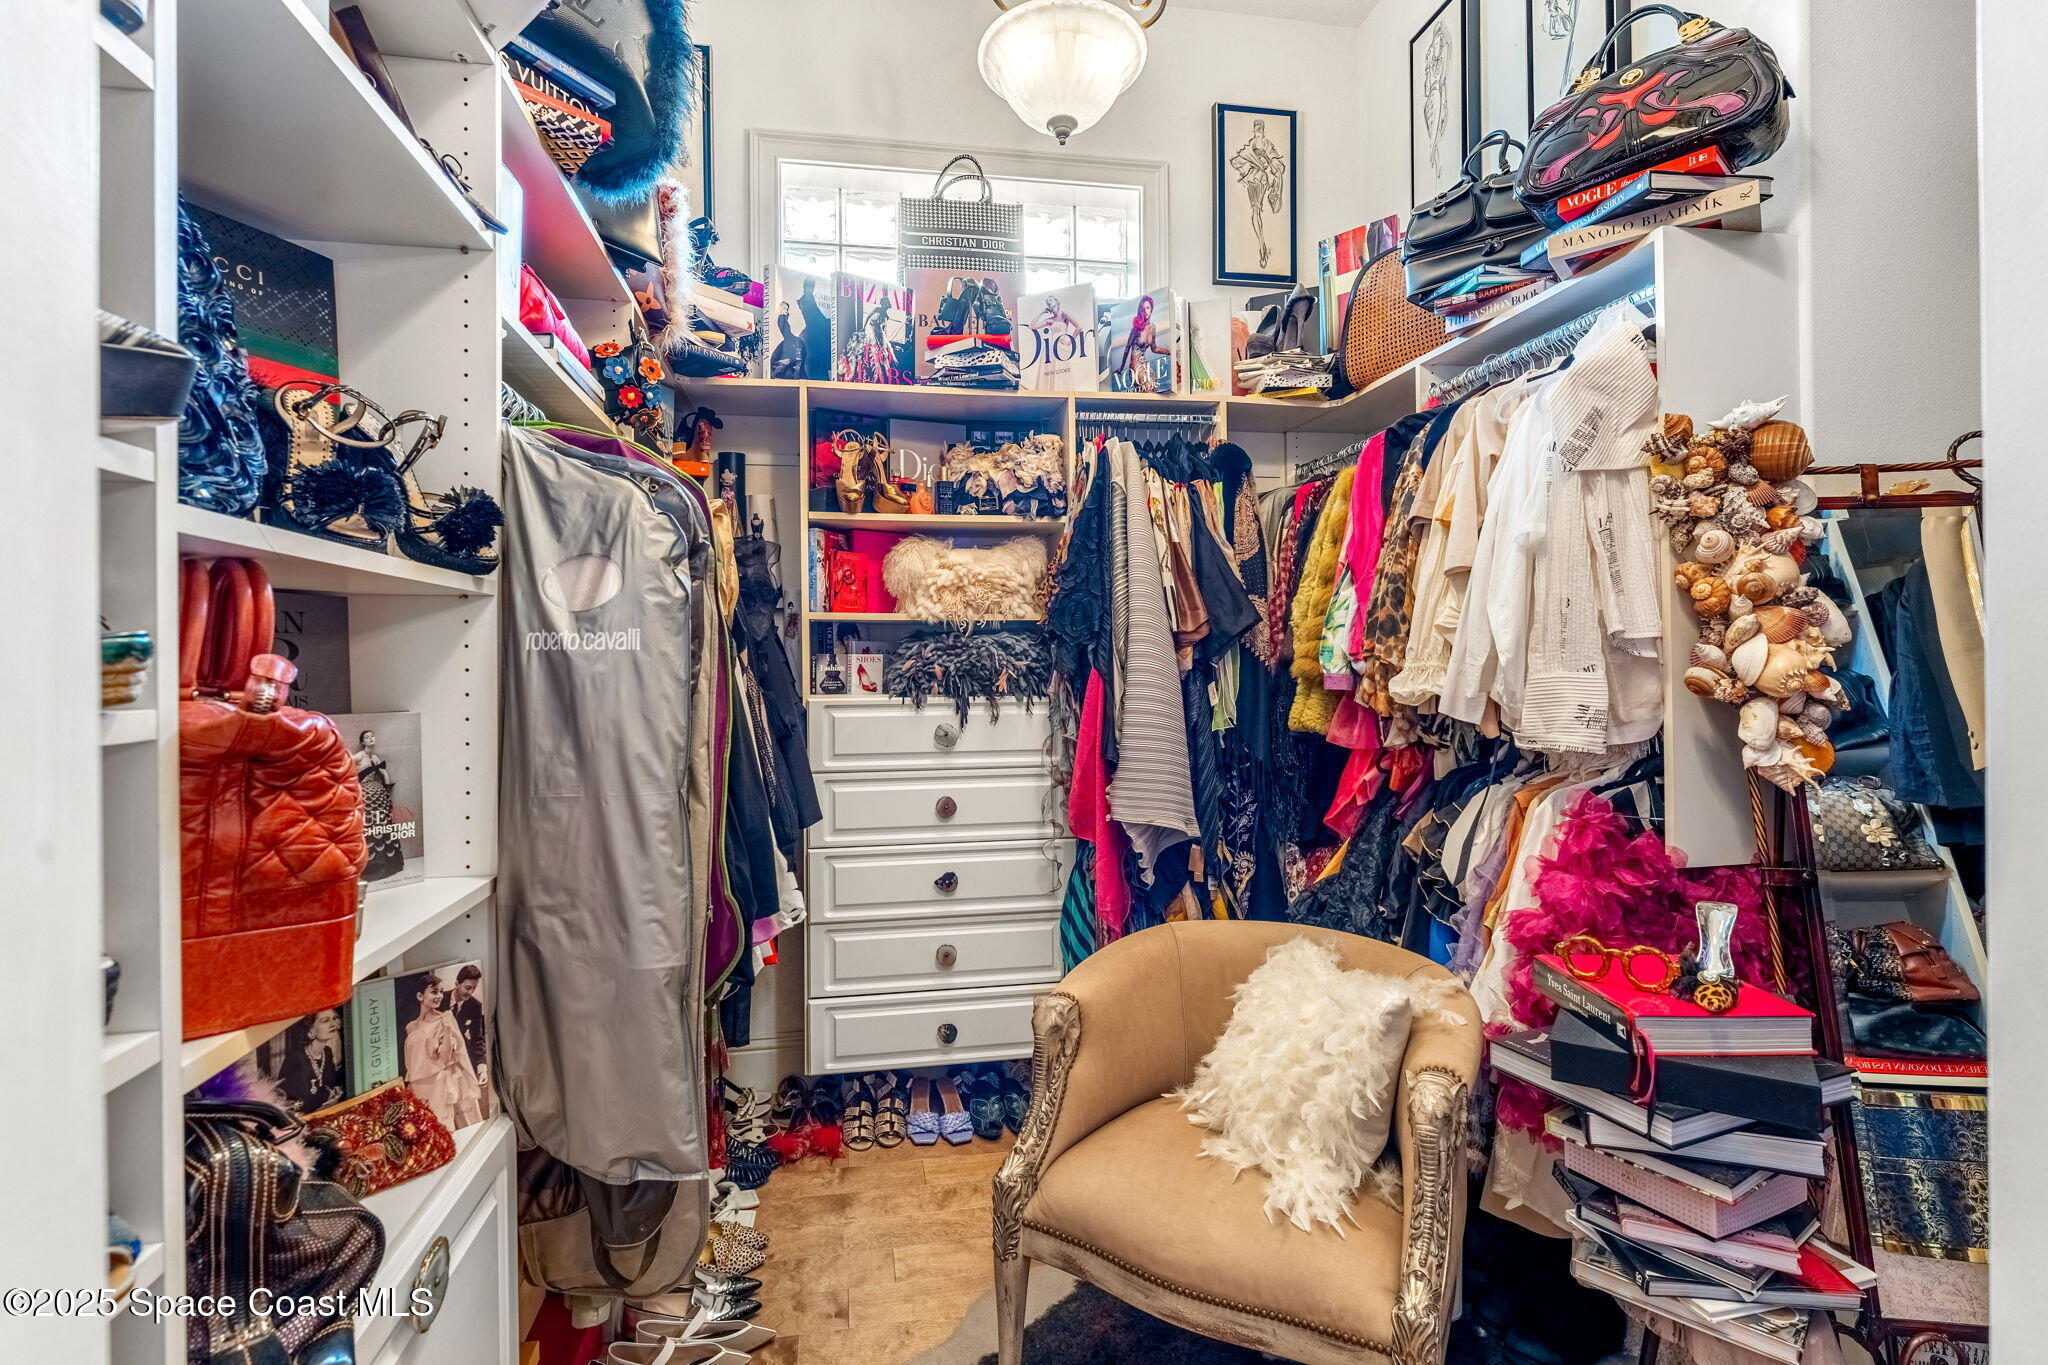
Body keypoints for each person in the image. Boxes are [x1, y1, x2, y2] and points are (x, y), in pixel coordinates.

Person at [404, 972, 484, 1131]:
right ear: (420, 996)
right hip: (419, 1085)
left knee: (442, 1128)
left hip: (438, 1083)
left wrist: (447, 1030)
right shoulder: (410, 1026)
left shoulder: (445, 1019)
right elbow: (413, 1060)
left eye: (441, 992)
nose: (439, 996)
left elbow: (445, 1057)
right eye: (434, 991)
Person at [1229, 118, 1287, 270]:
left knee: (1256, 211)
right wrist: (1248, 164)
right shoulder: (1250, 144)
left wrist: (1265, 158)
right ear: (1254, 131)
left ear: (1263, 131)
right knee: (1255, 211)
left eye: (1260, 130)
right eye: (1256, 129)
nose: (1258, 132)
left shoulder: (1267, 145)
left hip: (1260, 178)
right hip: (1251, 177)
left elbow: (1276, 168)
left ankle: (1262, 248)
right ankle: (1262, 247)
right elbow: (1237, 161)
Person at [351, 729, 402, 881]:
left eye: (372, 735)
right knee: (368, 825)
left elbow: (384, 774)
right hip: (365, 792)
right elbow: (345, 764)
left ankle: (388, 865)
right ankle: (370, 867)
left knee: (382, 823)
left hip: (378, 792)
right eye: (367, 737)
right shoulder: (360, 755)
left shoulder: (374, 757)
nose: (370, 738)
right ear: (362, 742)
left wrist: (387, 789)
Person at [277, 1008, 346, 1113]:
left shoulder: (327, 1052)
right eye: (325, 1021)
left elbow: (330, 1082)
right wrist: (329, 1094)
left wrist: (332, 1090)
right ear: (311, 1030)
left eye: (334, 1018)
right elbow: (305, 1102)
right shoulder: (297, 1058)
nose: (333, 1025)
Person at [449, 963, 489, 1095]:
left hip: (462, 1058)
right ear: (456, 983)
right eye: (467, 987)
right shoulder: (439, 1000)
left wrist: (482, 1069)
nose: (471, 992)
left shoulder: (476, 1006)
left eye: (474, 988)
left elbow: (478, 1038)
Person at [1116, 294, 1169, 393]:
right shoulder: (1136, 329)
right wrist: (1121, 368)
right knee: (1149, 393)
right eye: (1143, 309)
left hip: (1145, 365)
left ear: (1151, 308)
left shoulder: (1153, 327)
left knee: (1156, 392)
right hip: (1135, 367)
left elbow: (1154, 348)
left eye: (1148, 308)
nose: (1146, 311)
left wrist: (1169, 351)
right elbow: (1127, 349)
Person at [797, 277, 832, 380]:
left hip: (816, 344)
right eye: (810, 285)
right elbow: (816, 319)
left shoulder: (807, 299)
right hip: (816, 345)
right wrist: (830, 322)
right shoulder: (807, 300)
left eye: (812, 285)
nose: (811, 288)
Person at [768, 302, 807, 380]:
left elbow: (786, 332)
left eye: (787, 309)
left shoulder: (783, 320)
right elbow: (786, 332)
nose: (786, 311)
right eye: (783, 308)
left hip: (788, 344)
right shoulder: (780, 319)